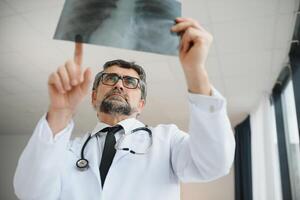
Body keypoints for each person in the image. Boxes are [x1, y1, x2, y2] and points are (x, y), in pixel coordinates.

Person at [14, 18, 235, 200]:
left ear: (141, 104)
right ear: (93, 97)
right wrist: (60, 113)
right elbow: (30, 193)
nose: (119, 84)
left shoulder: (167, 141)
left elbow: (214, 163)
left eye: (130, 82)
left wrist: (195, 72)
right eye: (111, 78)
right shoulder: (67, 150)